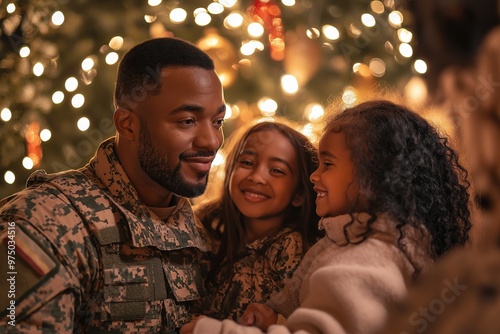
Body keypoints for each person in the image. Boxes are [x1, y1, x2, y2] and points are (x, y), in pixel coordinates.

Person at [182, 100, 472, 334]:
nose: (314, 176)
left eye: (327, 164)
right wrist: (276, 322)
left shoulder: (368, 260)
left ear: (372, 176)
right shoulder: (355, 242)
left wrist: (214, 330)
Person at [0, 37, 226, 332]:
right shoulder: (41, 223)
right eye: (186, 121)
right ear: (127, 124)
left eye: (217, 122)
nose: (211, 141)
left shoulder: (205, 239)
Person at [193, 121, 322, 321]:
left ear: (299, 194)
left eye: (277, 170)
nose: (257, 177)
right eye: (247, 163)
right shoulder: (205, 225)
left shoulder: (292, 247)